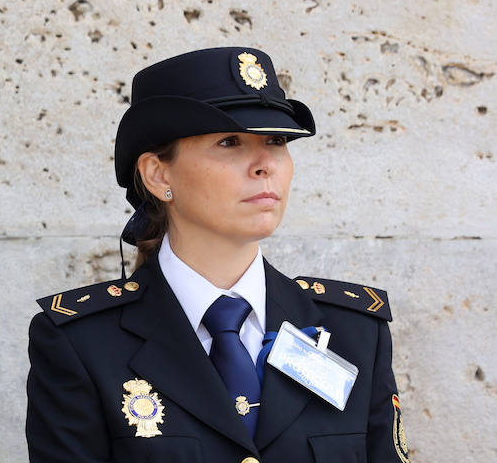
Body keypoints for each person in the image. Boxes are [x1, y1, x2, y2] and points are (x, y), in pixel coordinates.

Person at [26, 47, 411, 463]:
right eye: (230, 142)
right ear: (158, 174)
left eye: (277, 141)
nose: (265, 164)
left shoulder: (355, 331)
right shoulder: (82, 343)